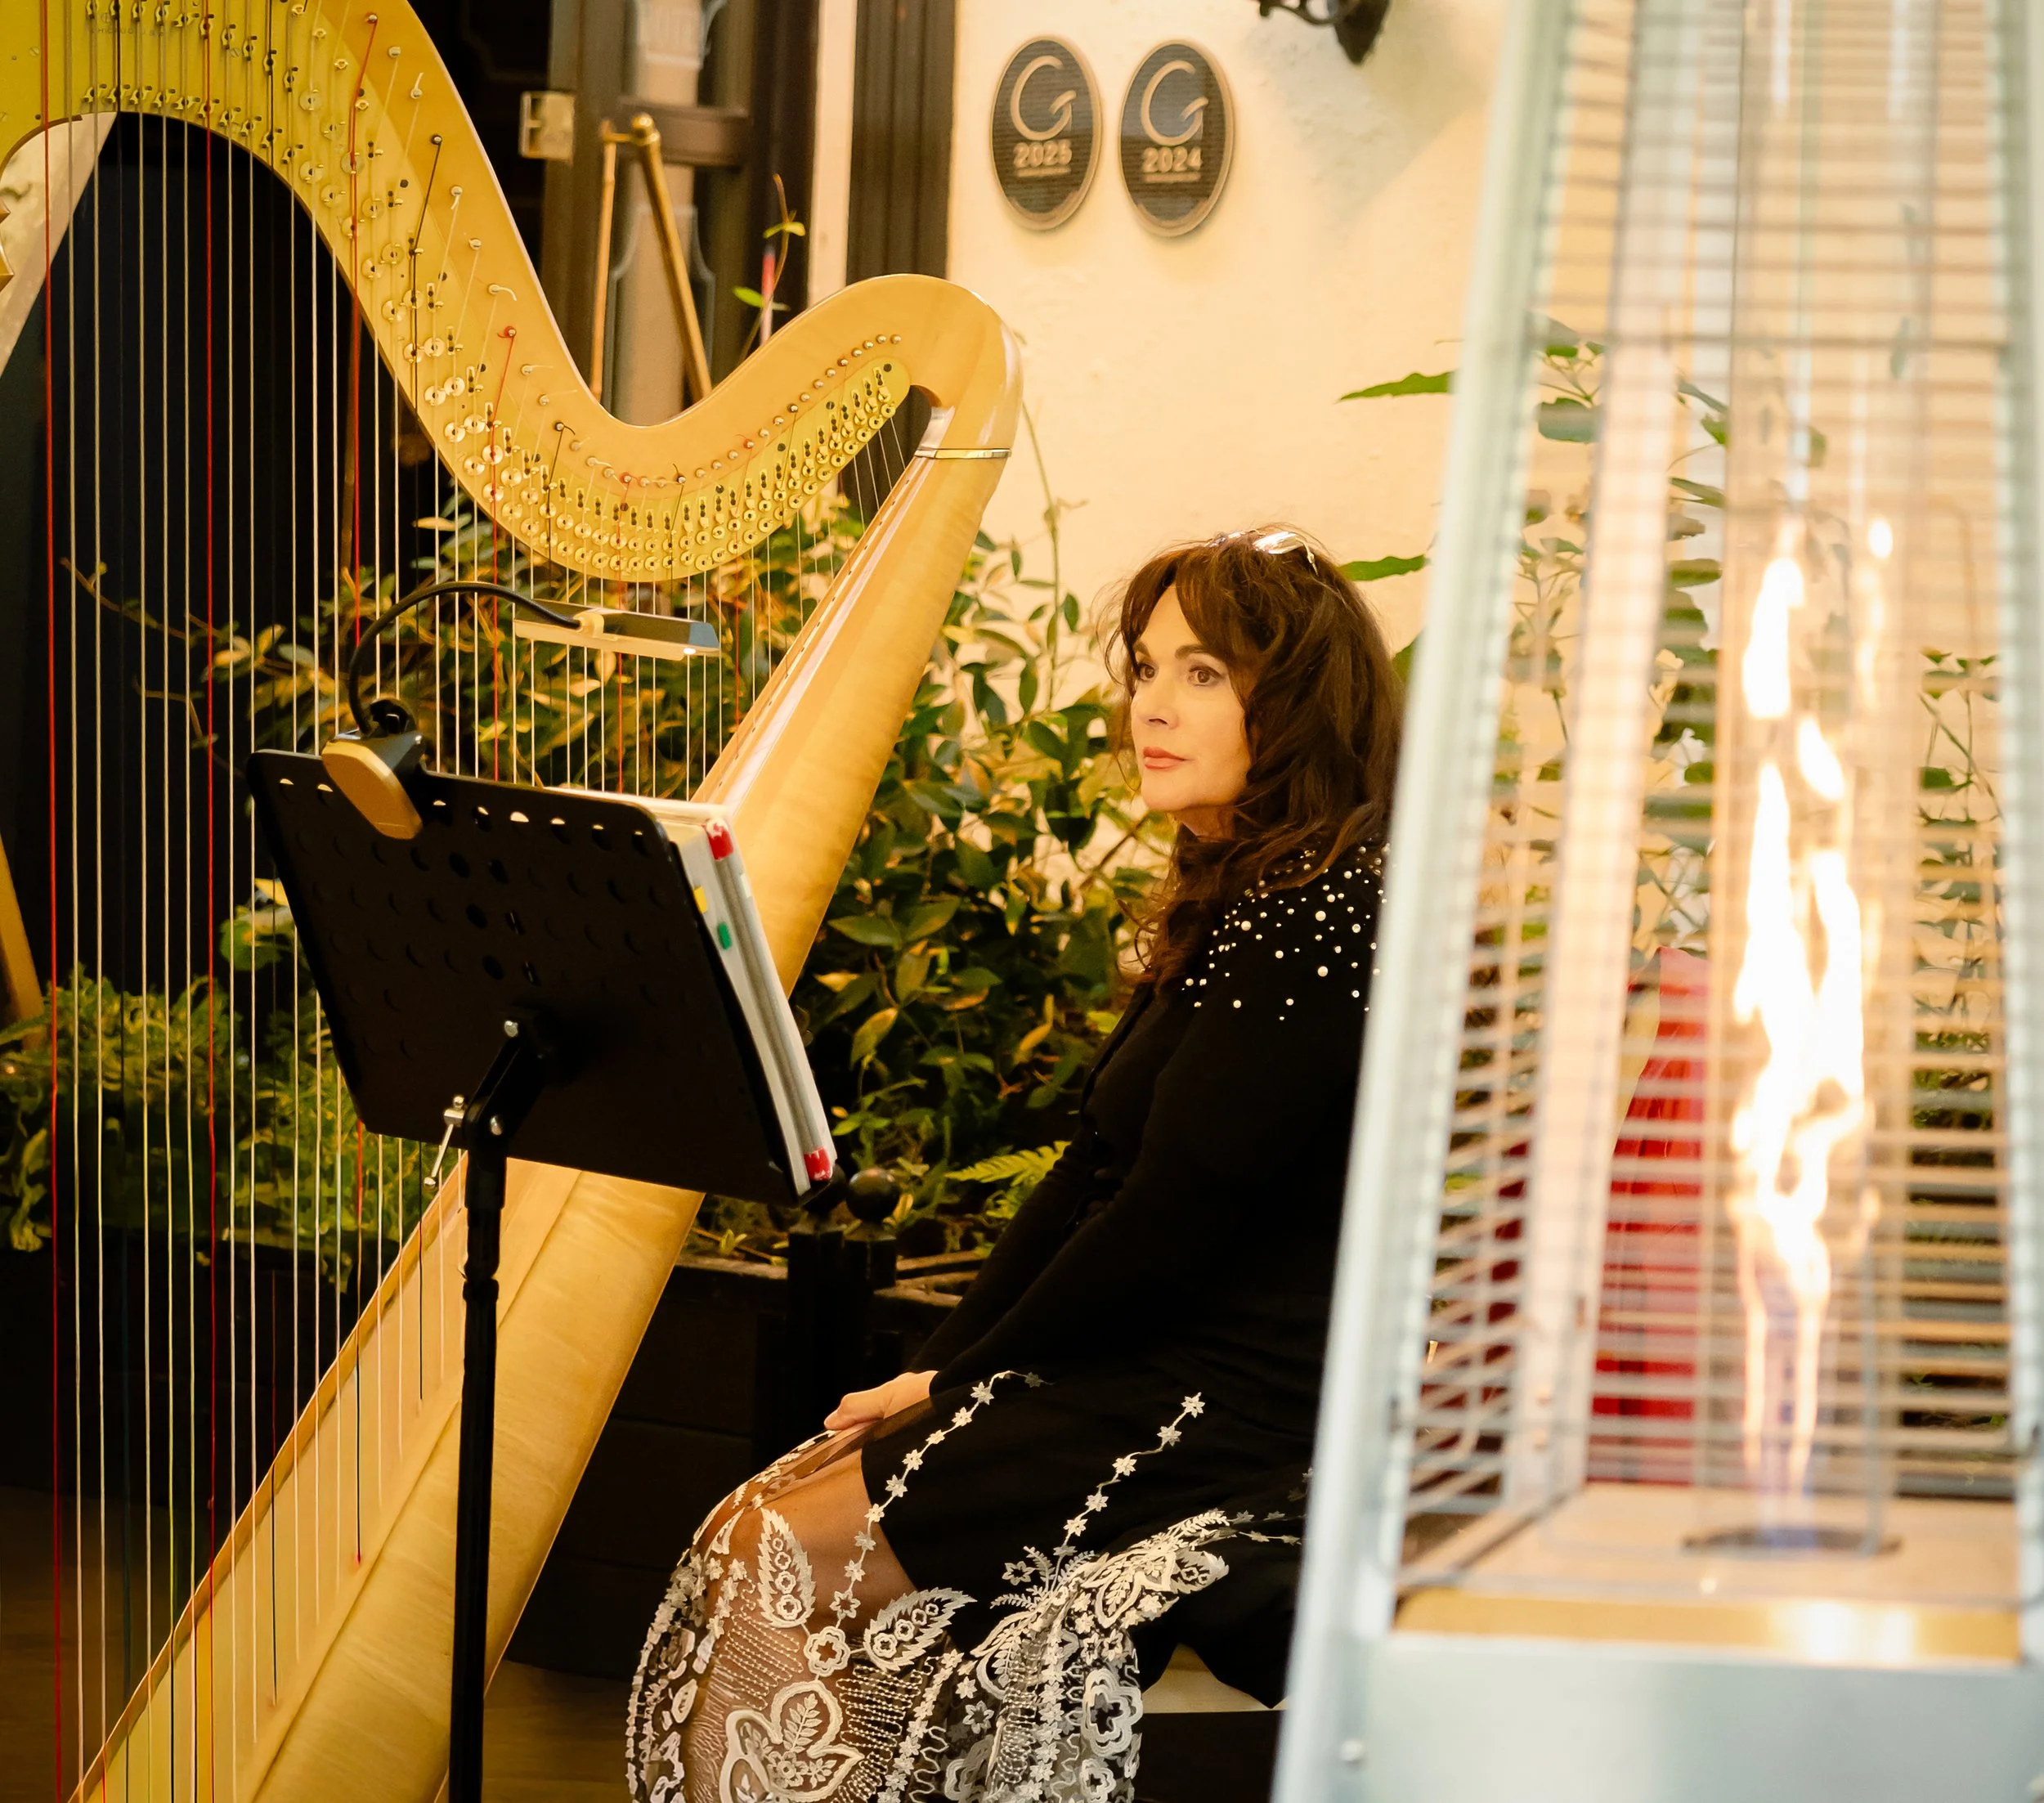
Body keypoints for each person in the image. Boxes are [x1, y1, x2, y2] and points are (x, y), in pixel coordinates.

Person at [628, 527, 1401, 1803]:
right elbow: (1090, 1174)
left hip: (1226, 1409)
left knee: (787, 1552)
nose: (1152, 703)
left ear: (1300, 698)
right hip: (1141, 1364)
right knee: (761, 1533)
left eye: (1203, 672)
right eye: (1146, 666)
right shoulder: (1249, 894)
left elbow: (1162, 1222)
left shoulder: (1322, 917)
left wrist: (966, 1377)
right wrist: (940, 1368)